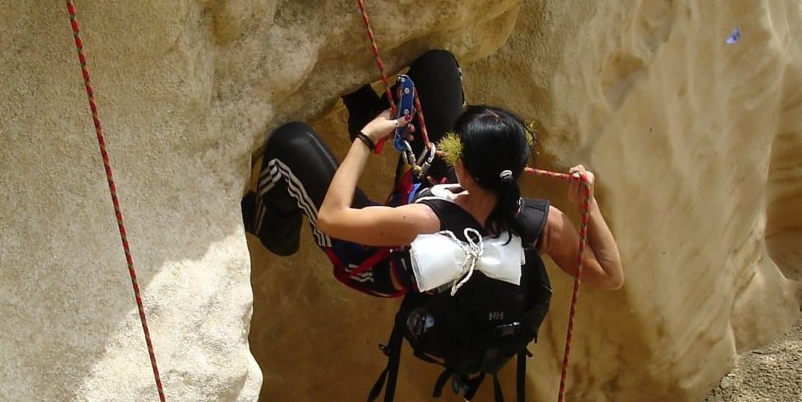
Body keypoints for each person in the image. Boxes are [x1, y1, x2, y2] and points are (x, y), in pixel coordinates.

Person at [243, 50, 624, 296]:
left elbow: (333, 218)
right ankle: (368, 110)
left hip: (374, 261)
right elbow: (610, 276)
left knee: (291, 146)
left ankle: (274, 230)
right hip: (445, 204)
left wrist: (366, 138)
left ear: (464, 169)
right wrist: (588, 206)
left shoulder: (421, 219)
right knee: (438, 67)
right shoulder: (545, 222)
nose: (449, 145)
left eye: (456, 146)